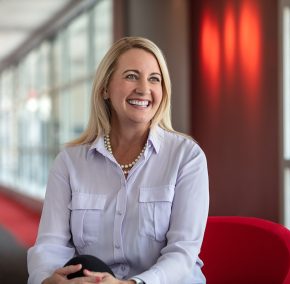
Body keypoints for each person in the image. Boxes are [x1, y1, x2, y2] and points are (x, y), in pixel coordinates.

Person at [27, 36, 209, 284]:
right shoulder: (69, 163)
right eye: (131, 76)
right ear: (105, 88)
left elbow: (182, 252)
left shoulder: (187, 157)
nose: (144, 88)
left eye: (154, 79)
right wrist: (48, 280)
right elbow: (50, 245)